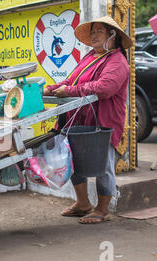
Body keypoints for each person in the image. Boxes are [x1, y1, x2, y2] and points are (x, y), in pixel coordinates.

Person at [42, 16, 133, 224]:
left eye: (99, 31)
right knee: (72, 158)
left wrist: (71, 91)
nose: (93, 35)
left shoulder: (117, 61)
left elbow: (105, 88)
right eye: (92, 31)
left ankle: (102, 209)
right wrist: (53, 88)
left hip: (103, 120)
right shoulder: (91, 56)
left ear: (113, 36)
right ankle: (83, 203)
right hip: (79, 117)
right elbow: (71, 80)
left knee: (104, 165)